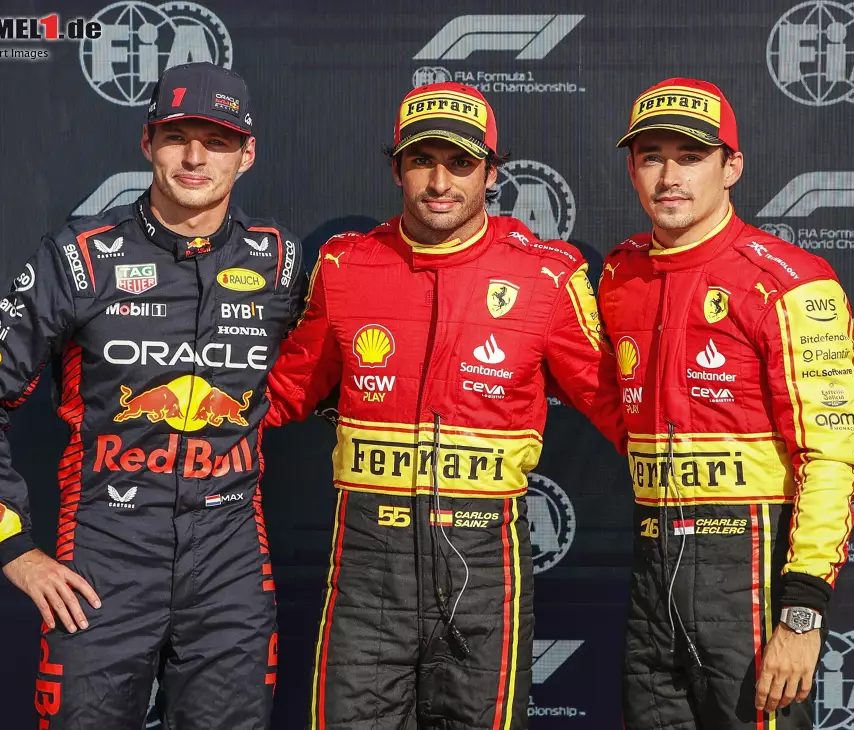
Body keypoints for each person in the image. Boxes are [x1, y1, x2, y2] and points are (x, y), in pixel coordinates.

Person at [0, 61, 306, 729]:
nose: (194, 158)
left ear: (246, 155)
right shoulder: (78, 257)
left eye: (217, 141)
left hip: (230, 567)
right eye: (176, 137)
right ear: (147, 143)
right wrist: (14, 547)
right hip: (103, 560)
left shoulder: (278, 260)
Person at [262, 82, 626, 730]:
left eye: (460, 163)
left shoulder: (546, 276)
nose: (439, 182)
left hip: (484, 567)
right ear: (396, 169)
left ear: (492, 172)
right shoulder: (345, 265)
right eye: (422, 161)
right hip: (367, 564)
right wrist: (171, 412)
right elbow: (285, 391)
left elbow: (623, 410)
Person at [599, 77, 854, 729]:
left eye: (691, 157)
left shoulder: (794, 284)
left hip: (752, 568)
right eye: (652, 157)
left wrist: (801, 614)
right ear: (632, 169)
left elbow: (830, 459)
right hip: (651, 568)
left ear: (732, 167)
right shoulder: (618, 276)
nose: (669, 176)